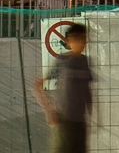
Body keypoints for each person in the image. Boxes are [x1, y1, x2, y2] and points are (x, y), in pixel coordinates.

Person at [35, 21, 96, 153]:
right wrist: (49, 111)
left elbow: (87, 90)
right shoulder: (62, 61)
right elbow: (38, 85)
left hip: (80, 122)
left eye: (84, 39)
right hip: (63, 121)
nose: (82, 43)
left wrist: (92, 115)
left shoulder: (85, 61)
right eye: (77, 39)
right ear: (69, 41)